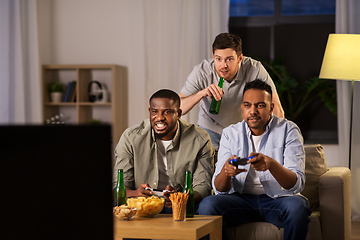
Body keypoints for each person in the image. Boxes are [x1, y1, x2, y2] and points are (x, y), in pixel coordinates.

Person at [198, 80, 311, 240]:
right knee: (207, 205)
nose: (253, 111)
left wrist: (271, 165)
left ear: (271, 107)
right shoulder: (230, 133)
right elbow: (219, 189)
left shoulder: (288, 130)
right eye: (247, 105)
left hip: (278, 201)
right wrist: (226, 172)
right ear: (242, 107)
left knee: (298, 207)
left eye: (260, 105)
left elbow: (295, 184)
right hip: (240, 201)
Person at [113, 89, 214, 212]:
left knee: (205, 207)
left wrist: (179, 198)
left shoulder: (200, 139)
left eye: (167, 112)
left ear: (179, 113)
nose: (160, 118)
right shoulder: (131, 137)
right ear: (150, 111)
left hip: (180, 203)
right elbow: (119, 185)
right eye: (155, 111)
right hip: (143, 202)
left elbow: (203, 186)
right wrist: (136, 193)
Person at [179, 33, 284, 150]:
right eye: (218, 59)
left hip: (240, 129)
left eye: (229, 59)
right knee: (208, 166)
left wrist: (275, 143)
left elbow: (276, 109)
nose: (223, 65)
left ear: (240, 58)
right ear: (213, 57)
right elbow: (179, 108)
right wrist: (201, 93)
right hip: (210, 128)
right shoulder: (202, 72)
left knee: (241, 166)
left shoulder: (254, 69)